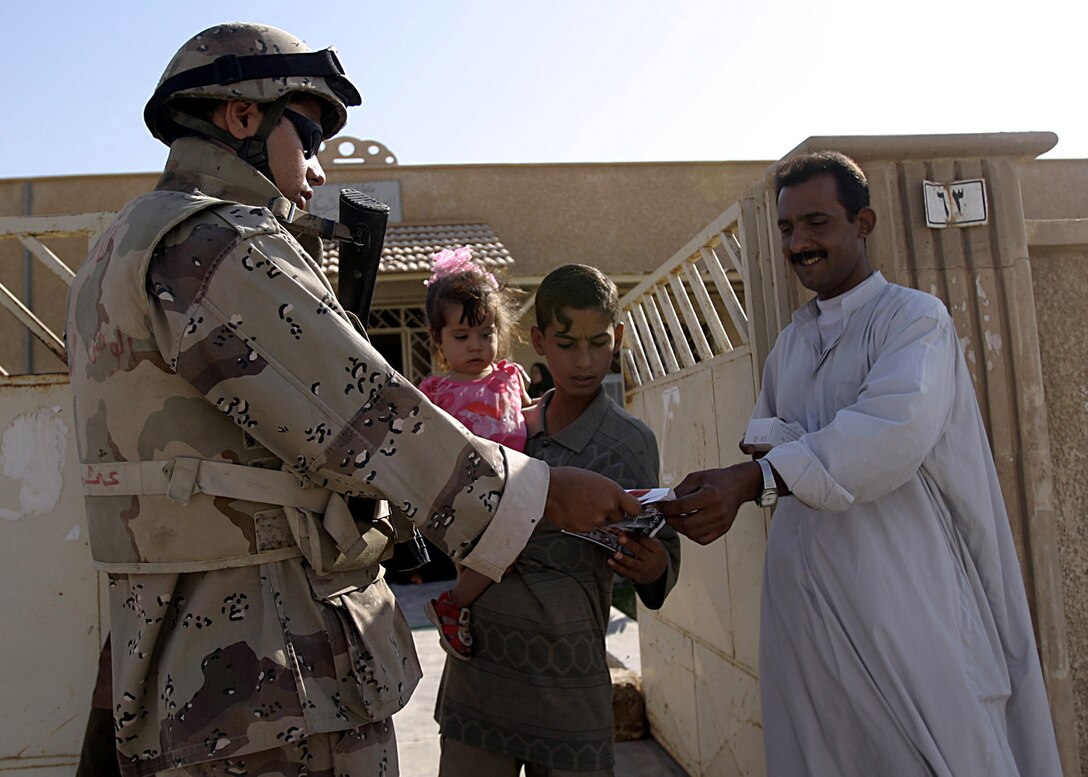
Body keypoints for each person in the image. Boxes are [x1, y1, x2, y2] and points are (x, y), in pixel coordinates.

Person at [65, 23, 639, 777]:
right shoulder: (218, 239)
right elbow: (371, 420)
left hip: (182, 658)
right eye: (306, 139)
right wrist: (544, 493)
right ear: (242, 117)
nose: (315, 171)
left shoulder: (115, 249)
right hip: (273, 677)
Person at [660, 151, 1062, 776]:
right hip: (810, 603)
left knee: (933, 751)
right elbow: (764, 442)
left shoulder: (915, 321)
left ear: (863, 222)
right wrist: (755, 475)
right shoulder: (792, 342)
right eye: (788, 229)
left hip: (903, 595)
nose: (799, 243)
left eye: (817, 223)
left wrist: (761, 475)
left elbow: (887, 436)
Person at [435, 263, 681, 777]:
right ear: (540, 342)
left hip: (570, 681)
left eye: (598, 343)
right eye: (567, 344)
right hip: (483, 671)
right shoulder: (504, 427)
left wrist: (652, 566)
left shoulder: (629, 443)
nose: (585, 361)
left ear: (618, 337)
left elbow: (662, 561)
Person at [418, 245, 532, 660]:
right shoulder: (435, 392)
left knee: (495, 565)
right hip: (465, 492)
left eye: (486, 333)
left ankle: (462, 611)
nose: (476, 345)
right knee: (483, 561)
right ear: (438, 339)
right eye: (461, 336)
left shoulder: (509, 377)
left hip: (516, 482)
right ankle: (454, 607)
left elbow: (529, 417)